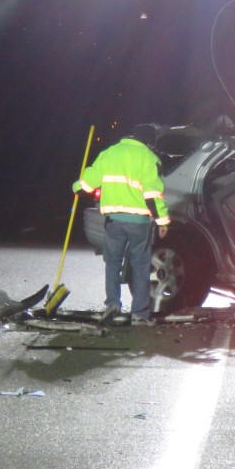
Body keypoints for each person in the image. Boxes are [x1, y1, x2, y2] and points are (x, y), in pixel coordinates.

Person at [74, 126, 169, 326]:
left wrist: (76, 187)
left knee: (112, 264)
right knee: (141, 267)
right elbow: (152, 195)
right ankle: (139, 315)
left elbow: (86, 186)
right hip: (139, 223)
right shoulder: (149, 157)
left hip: (113, 221)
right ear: (149, 142)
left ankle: (113, 305)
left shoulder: (108, 153)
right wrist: (162, 221)